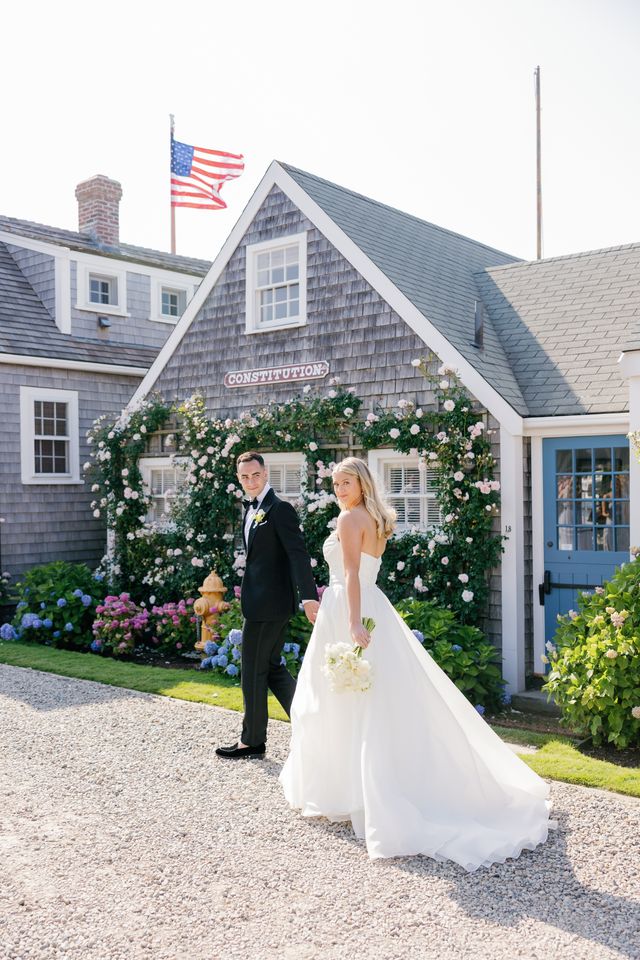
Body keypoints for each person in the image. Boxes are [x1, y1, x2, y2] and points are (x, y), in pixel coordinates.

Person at [279, 457, 555, 870]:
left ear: (362, 483)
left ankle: (352, 791)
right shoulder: (375, 517)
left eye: (346, 482)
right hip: (373, 605)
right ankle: (355, 786)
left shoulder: (350, 520)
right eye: (335, 484)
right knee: (362, 699)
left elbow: (352, 574)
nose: (339, 490)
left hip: (349, 608)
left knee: (337, 698)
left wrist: (353, 622)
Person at [216, 451, 319, 760]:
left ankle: (252, 740)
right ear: (239, 478)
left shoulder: (279, 509)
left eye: (255, 475)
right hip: (259, 601)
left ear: (266, 474)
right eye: (245, 476)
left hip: (271, 604)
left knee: (252, 669)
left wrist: (309, 596)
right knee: (271, 667)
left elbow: (297, 554)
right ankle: (312, 726)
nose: (251, 481)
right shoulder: (249, 509)